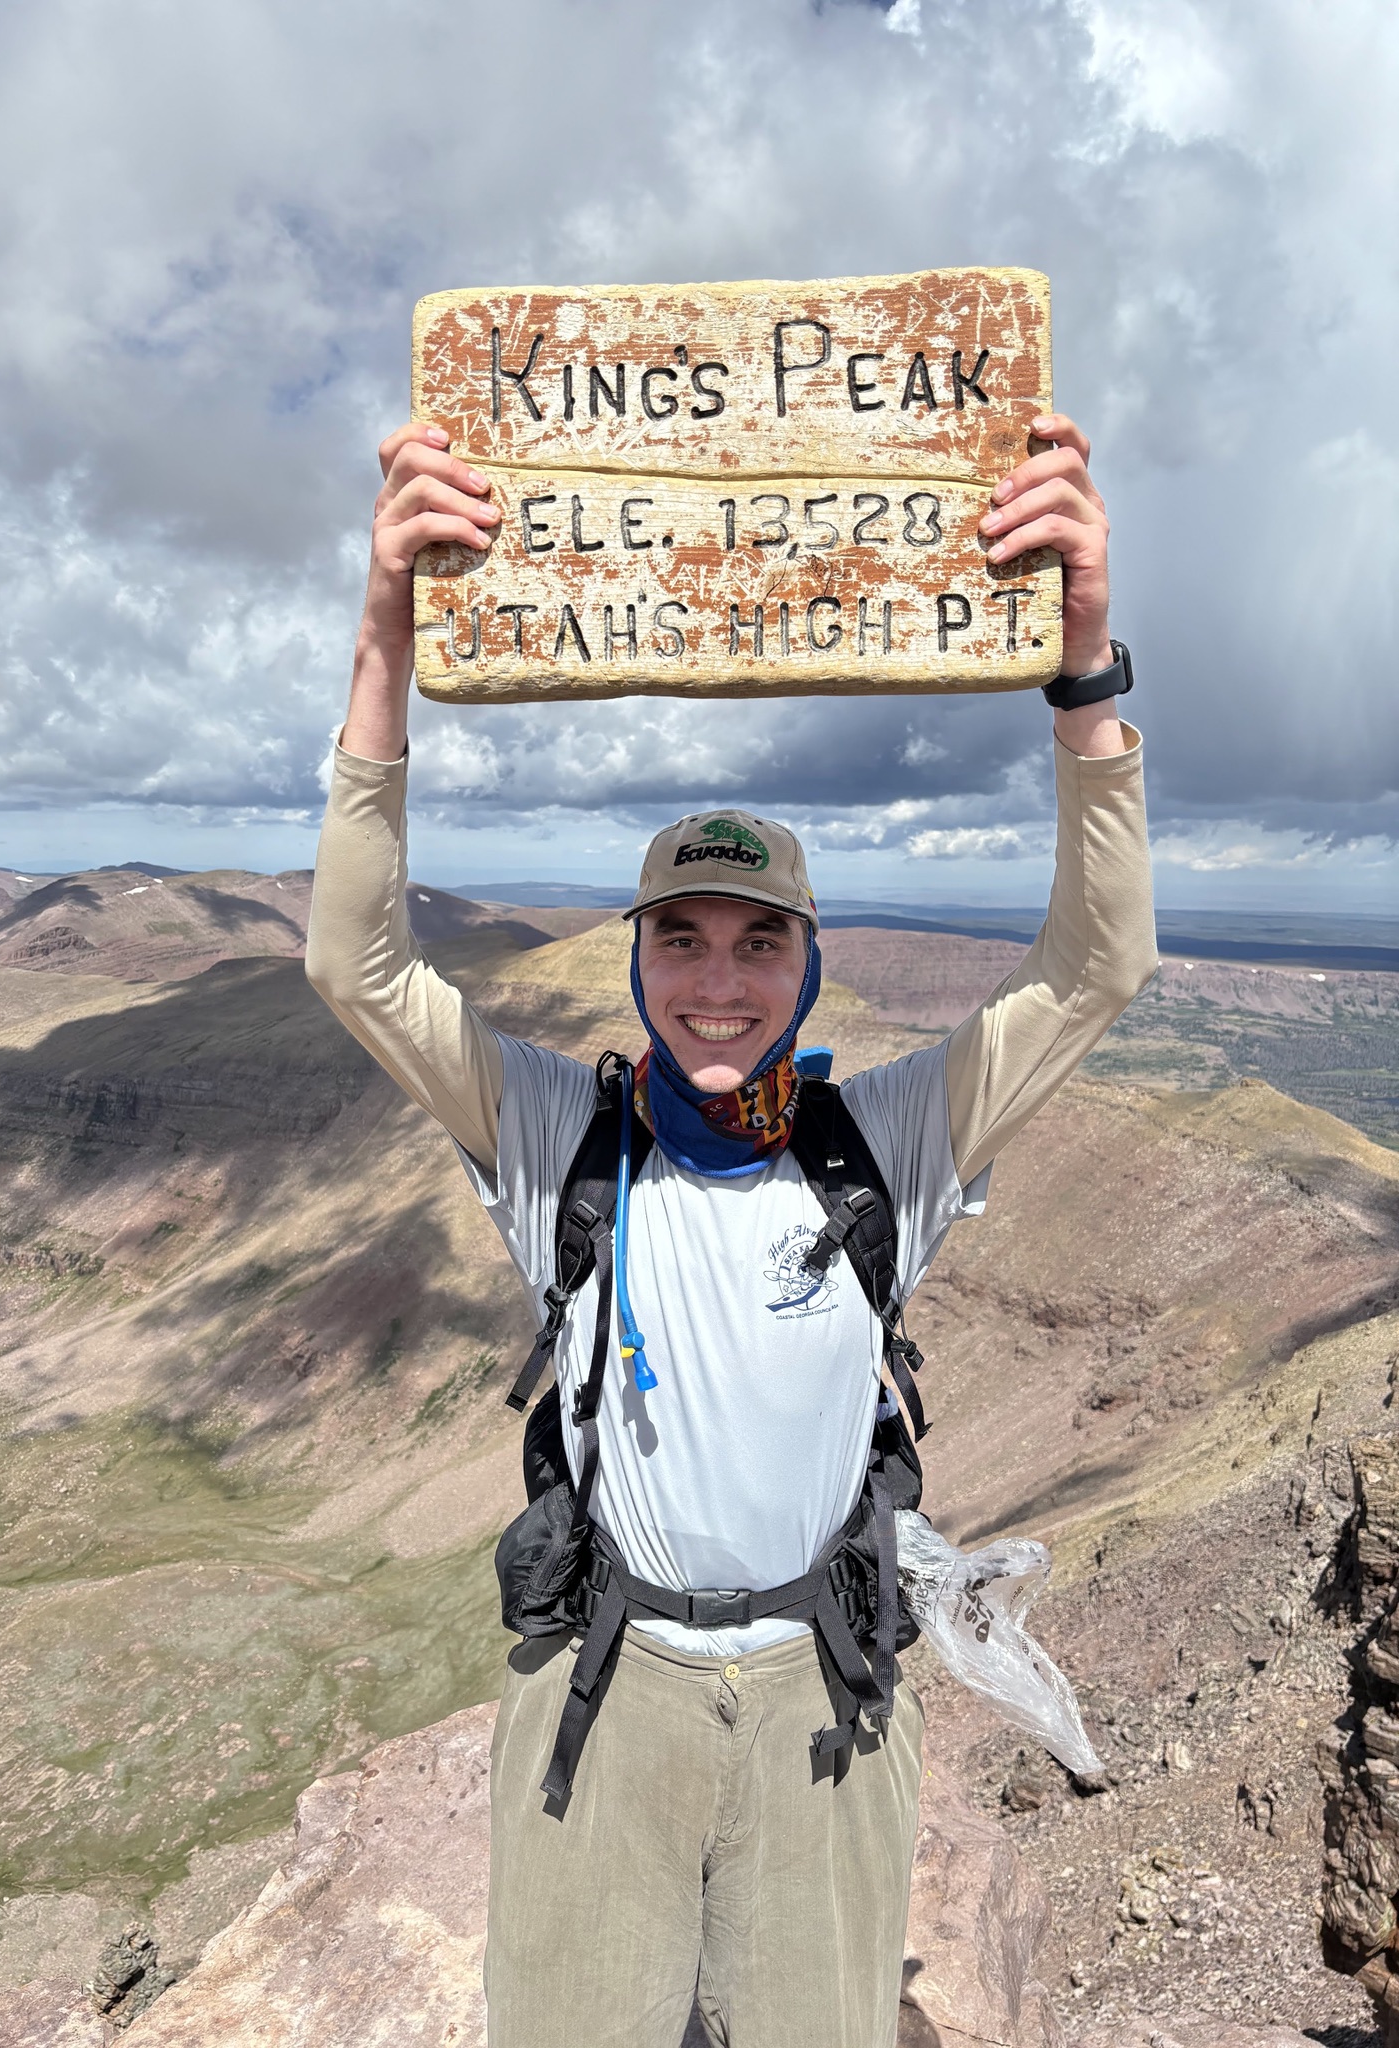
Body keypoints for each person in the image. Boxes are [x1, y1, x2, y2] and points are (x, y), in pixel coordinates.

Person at [306, 411, 1156, 2048]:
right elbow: (359, 968)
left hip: (820, 1698)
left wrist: (1085, 663)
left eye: (759, 942)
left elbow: (1097, 969)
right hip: (605, 1682)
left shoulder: (883, 1142)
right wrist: (385, 640)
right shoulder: (558, 1135)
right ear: (635, 960)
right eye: (680, 939)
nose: (716, 981)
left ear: (809, 965)